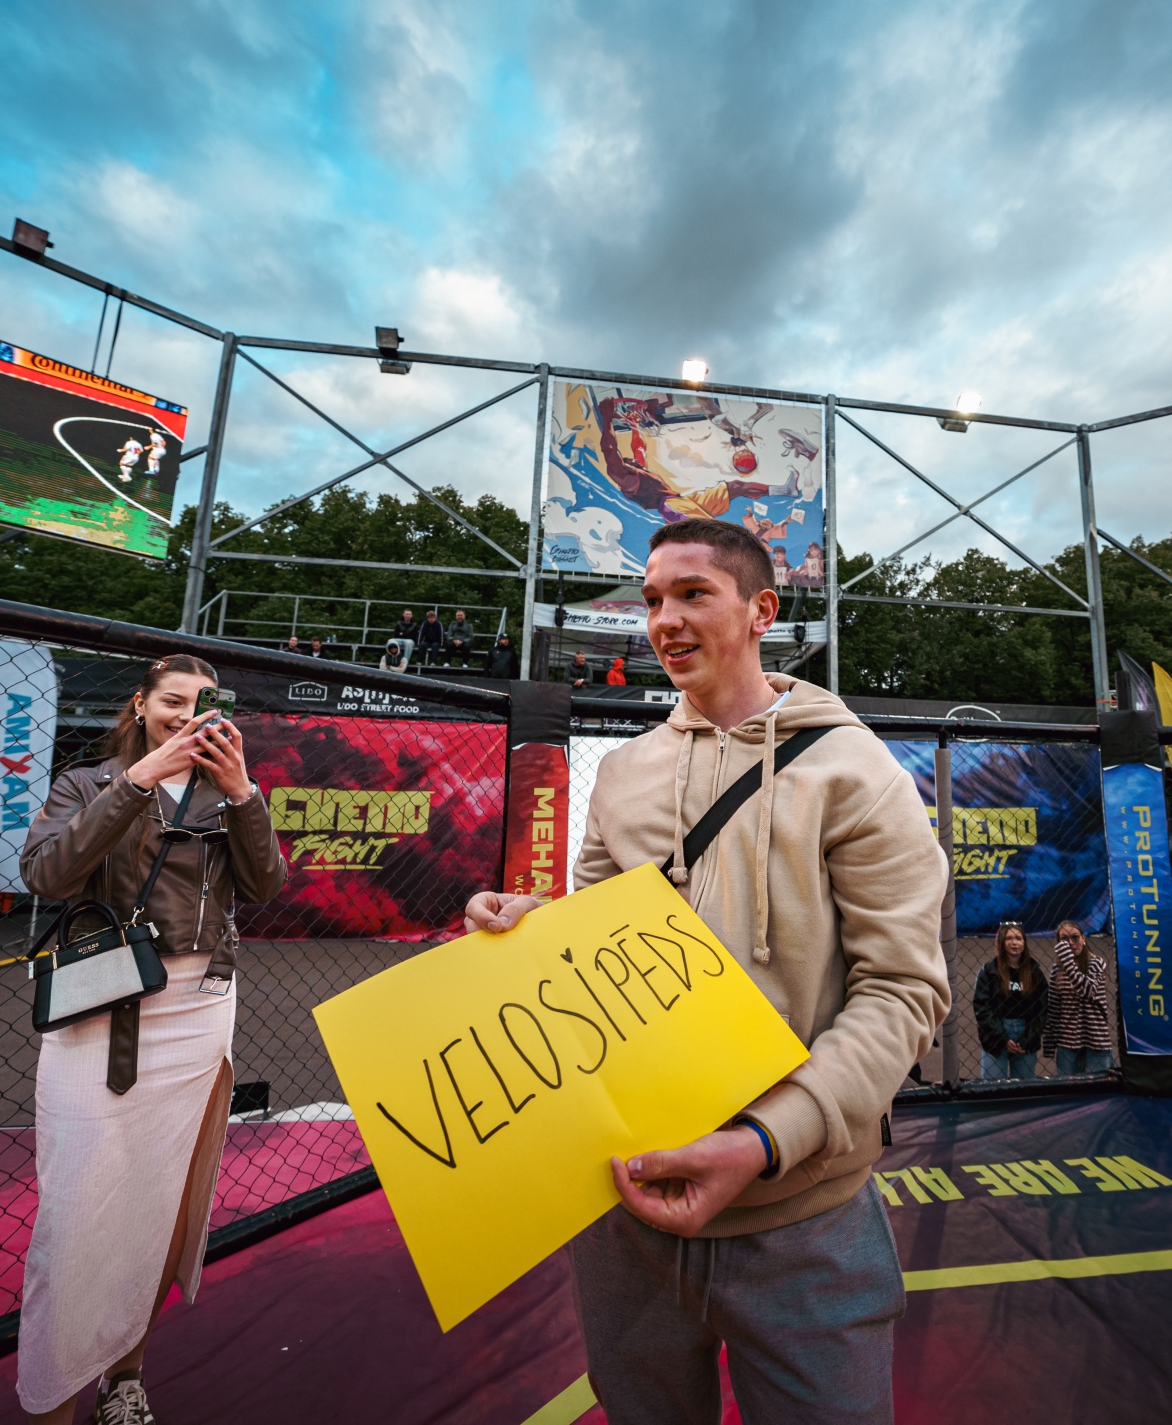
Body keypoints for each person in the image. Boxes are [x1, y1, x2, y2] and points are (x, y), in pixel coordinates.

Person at [462, 516, 947, 1423]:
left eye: (694, 594)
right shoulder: (624, 774)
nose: (665, 620)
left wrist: (766, 1140)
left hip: (802, 1214)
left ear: (762, 610)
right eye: (652, 600)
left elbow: (904, 991)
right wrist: (535, 928)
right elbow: (601, 948)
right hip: (626, 1203)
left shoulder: (858, 772)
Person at [16, 655, 288, 1424]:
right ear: (140, 704)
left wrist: (243, 793)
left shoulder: (227, 792)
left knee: (162, 1201)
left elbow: (265, 886)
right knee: (76, 1214)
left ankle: (125, 1373)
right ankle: (51, 1399)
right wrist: (138, 783)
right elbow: (48, 875)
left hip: (198, 1010)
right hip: (104, 1006)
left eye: (204, 702)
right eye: (173, 700)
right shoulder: (88, 782)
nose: (187, 715)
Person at [972, 923, 1047, 1080]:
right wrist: (1002, 1038)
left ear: (1024, 943)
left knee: (1023, 1087)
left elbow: (1042, 1008)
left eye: (1018, 938)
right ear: (1001, 942)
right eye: (1009, 938)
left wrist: (1027, 1039)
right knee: (992, 1086)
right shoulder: (989, 971)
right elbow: (982, 1006)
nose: (1014, 943)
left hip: (1026, 1033)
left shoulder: (1035, 972)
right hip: (996, 1033)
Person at [1047, 920, 1116, 1075]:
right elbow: (1054, 1007)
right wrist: (1050, 1044)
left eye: (1075, 937)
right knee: (1067, 1087)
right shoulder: (1057, 970)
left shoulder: (1096, 962)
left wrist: (1068, 962)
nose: (1071, 943)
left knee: (1098, 1087)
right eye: (1064, 939)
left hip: (1095, 1039)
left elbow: (1087, 991)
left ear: (1083, 938)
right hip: (1067, 1041)